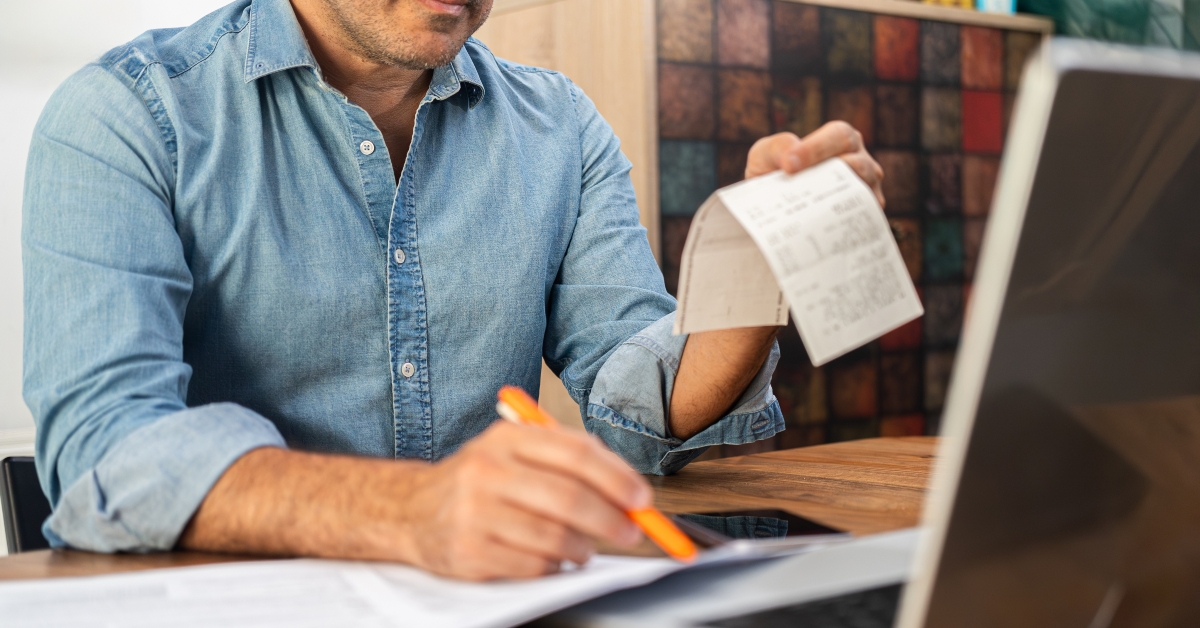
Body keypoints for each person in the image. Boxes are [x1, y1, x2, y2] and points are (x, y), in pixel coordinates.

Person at [22, 0, 884, 580]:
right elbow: (103, 450)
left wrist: (749, 277)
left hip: (501, 598)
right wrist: (414, 510)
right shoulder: (125, 115)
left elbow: (636, 411)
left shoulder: (561, 125)